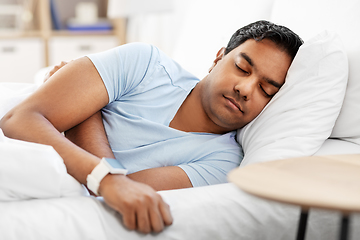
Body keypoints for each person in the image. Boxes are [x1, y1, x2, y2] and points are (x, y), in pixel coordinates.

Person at [0, 20, 303, 233]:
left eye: (267, 90)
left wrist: (87, 109)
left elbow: (116, 194)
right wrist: (109, 176)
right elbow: (19, 119)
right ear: (218, 58)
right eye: (242, 68)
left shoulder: (223, 163)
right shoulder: (145, 64)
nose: (247, 89)